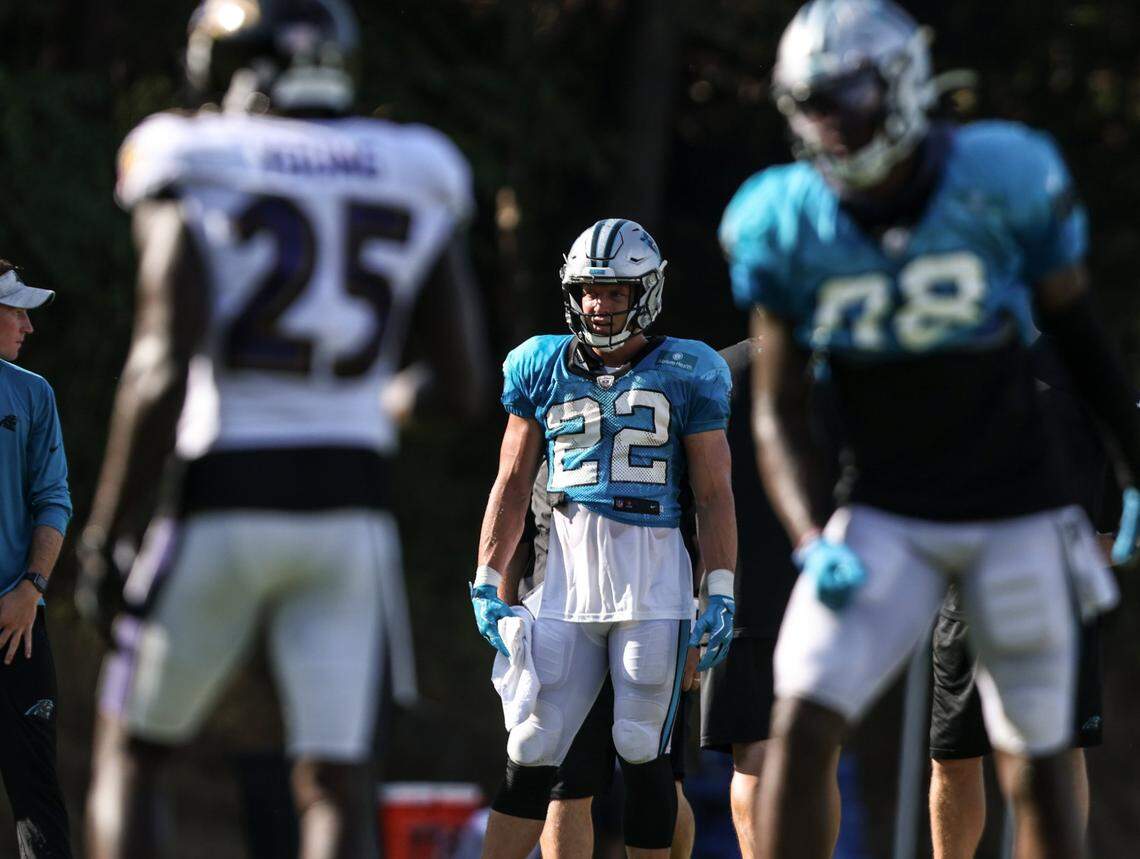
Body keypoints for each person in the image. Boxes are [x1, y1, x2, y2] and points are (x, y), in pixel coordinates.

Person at [721, 2, 1137, 858]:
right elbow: (777, 408)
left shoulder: (1001, 175)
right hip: (882, 512)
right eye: (811, 103)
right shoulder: (786, 218)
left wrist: (1134, 472)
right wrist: (809, 535)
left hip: (1016, 508)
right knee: (798, 716)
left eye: (847, 96)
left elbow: (1084, 342)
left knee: (1037, 752)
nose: (830, 123)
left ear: (904, 82)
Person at [74, 2, 491, 857]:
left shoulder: (193, 154)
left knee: (135, 751)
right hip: (351, 509)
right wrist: (383, 400)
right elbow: (460, 386)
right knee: (335, 778)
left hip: (225, 489)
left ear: (243, 68)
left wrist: (108, 533)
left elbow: (160, 363)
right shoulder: (414, 163)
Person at [471, 218, 736, 858]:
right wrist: (486, 577)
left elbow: (713, 493)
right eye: (590, 289)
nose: (599, 304)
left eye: (615, 292)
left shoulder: (688, 367)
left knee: (641, 744)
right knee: (532, 744)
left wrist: (719, 587)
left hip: (653, 577)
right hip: (564, 576)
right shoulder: (539, 362)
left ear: (645, 292)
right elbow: (510, 480)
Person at [927, 336, 1122, 858]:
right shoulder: (948, 354)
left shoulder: (1078, 359)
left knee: (1056, 750)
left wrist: (1111, 534)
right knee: (952, 754)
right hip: (963, 583)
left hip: (1057, 581)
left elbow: (1123, 442)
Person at [507, 459, 698, 859]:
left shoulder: (674, 396)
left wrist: (700, 607)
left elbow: (708, 501)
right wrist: (504, 607)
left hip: (653, 601)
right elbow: (512, 501)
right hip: (561, 603)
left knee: (652, 764)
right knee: (561, 779)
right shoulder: (544, 398)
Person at [696, 338, 841, 858]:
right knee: (812, 754)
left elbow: (689, 491)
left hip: (742, 585)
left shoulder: (714, 370)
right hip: (812, 582)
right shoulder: (840, 363)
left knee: (758, 755)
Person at [0, 262, 73, 859]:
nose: (27, 325)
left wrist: (32, 586)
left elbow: (53, 499)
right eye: (15, 310)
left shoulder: (33, 392)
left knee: (37, 802)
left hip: (17, 628)